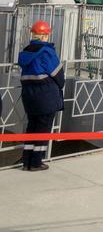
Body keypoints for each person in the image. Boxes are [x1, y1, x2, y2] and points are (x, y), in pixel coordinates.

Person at [17, 20, 65, 172]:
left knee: (32, 127)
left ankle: (27, 161)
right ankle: (36, 162)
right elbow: (58, 74)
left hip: (29, 97)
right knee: (43, 129)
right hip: (46, 96)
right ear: (45, 35)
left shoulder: (26, 51)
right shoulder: (46, 51)